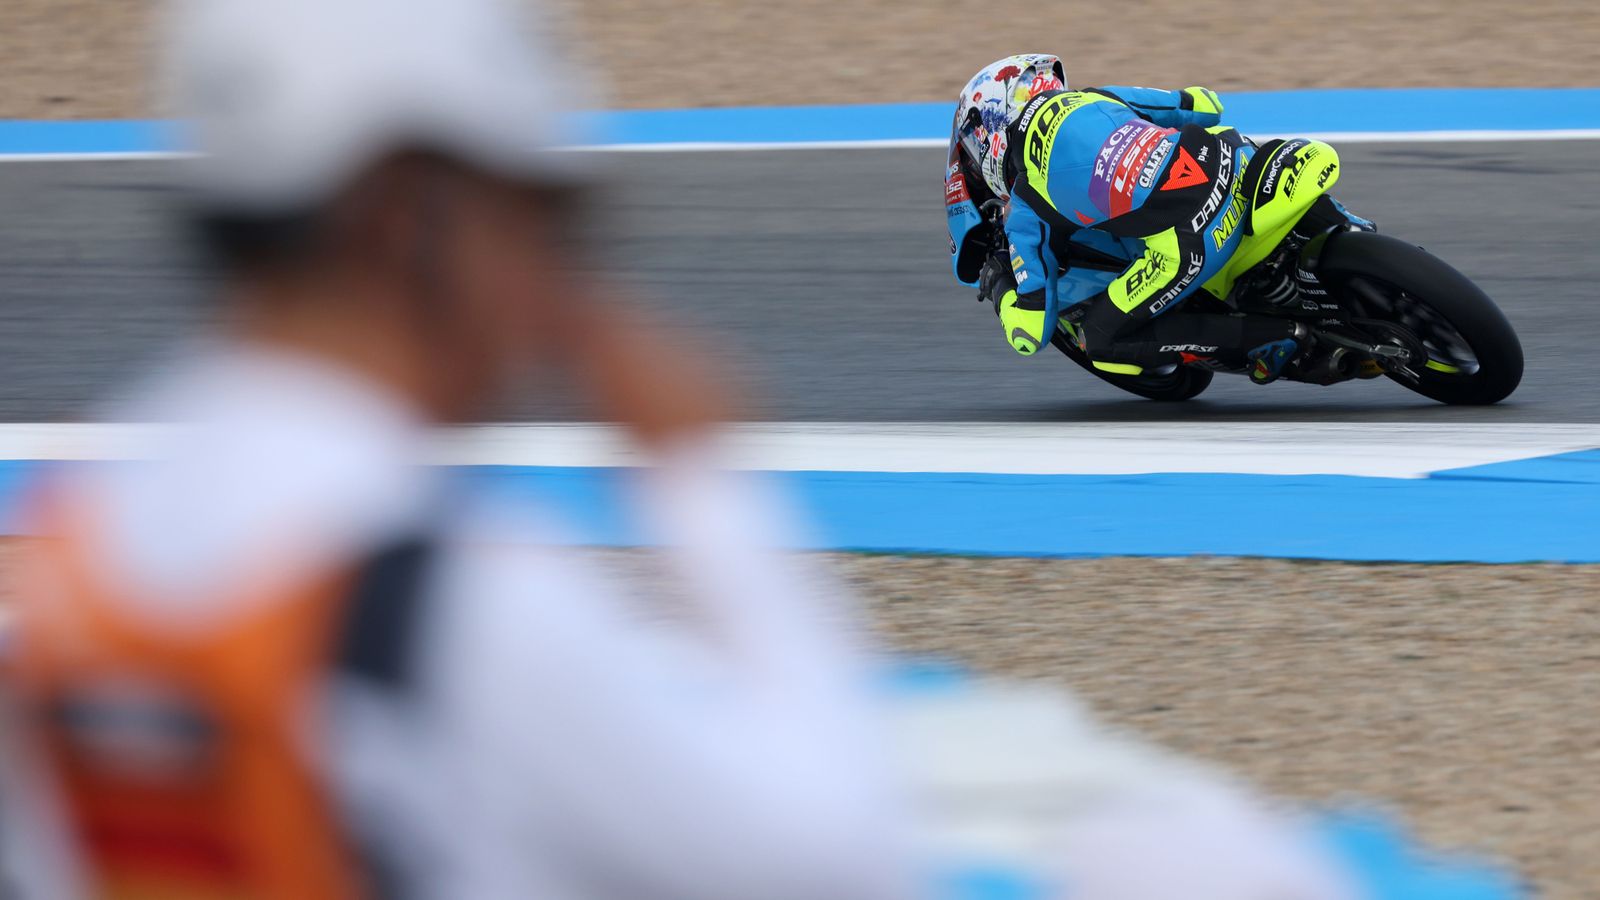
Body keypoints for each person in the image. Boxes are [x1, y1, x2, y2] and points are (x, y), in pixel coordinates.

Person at [0, 1, 917, 898]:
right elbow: (837, 863)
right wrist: (702, 485)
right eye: (541, 224)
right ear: (414, 214)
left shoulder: (74, 550)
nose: (555, 281)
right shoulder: (462, 599)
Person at [945, 54, 1369, 384]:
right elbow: (1205, 105)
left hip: (1191, 238)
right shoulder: (1099, 97)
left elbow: (1030, 333)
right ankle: (1345, 226)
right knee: (1237, 142)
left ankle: (1281, 338)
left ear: (990, 134)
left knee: (1102, 339)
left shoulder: (1027, 204)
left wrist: (998, 282)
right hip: (1232, 160)